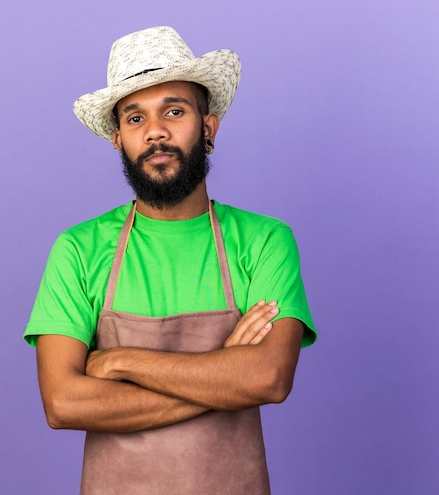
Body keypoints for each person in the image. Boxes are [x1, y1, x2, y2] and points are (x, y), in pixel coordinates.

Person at [25, 26, 317, 495]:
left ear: (208, 126)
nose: (155, 131)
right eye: (135, 118)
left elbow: (268, 377)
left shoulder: (263, 240)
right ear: (118, 138)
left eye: (174, 111)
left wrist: (120, 361)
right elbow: (63, 403)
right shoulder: (79, 249)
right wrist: (223, 372)